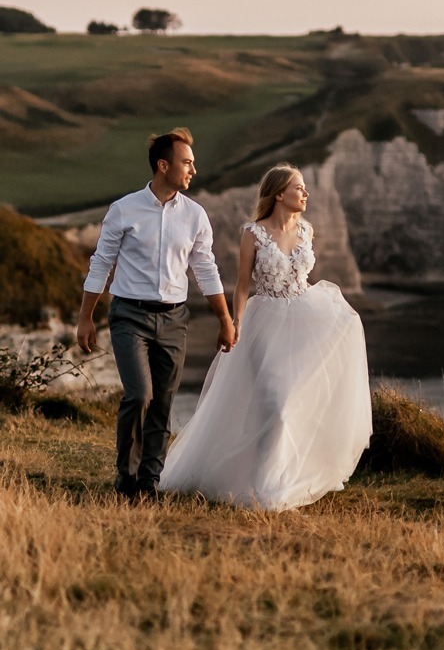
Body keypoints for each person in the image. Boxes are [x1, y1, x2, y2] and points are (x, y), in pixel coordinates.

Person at [159, 163, 371, 510]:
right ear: (279, 194)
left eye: (304, 188)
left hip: (306, 320)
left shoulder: (306, 231)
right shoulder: (252, 233)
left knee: (297, 403)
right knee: (276, 404)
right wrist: (236, 323)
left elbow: (302, 278)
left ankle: (280, 479)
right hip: (266, 322)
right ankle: (263, 487)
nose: (305, 193)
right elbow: (242, 285)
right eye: (299, 188)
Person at [77, 128, 237, 501]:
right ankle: (126, 479)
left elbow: (206, 269)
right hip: (129, 316)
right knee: (139, 395)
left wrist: (225, 320)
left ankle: (149, 484)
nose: (193, 170)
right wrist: (86, 317)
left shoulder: (196, 215)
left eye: (193, 164)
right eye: (186, 163)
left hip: (174, 319)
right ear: (163, 166)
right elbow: (101, 264)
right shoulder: (124, 210)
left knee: (163, 402)